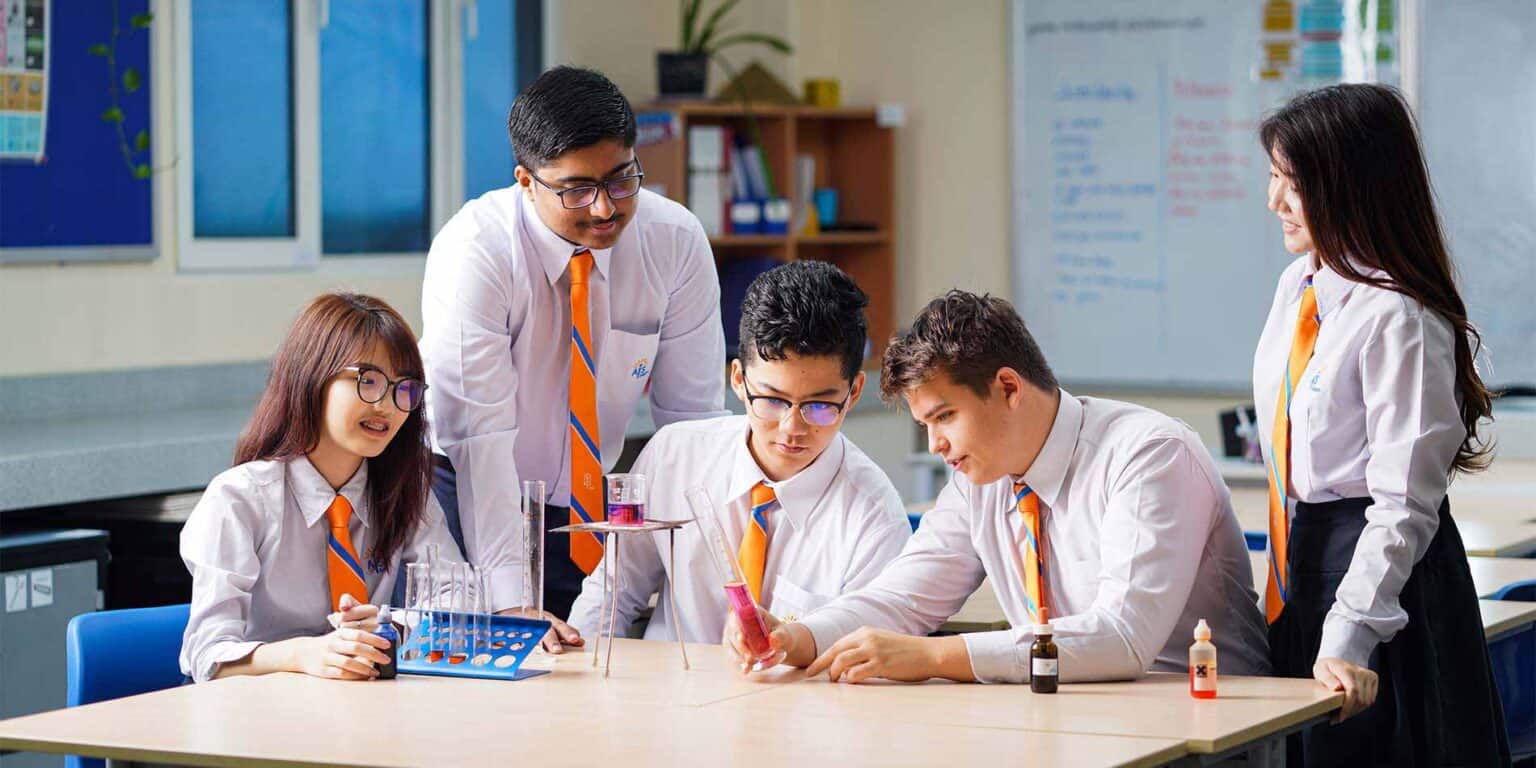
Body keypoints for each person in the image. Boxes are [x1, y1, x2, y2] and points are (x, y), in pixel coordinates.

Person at [727, 290, 1269, 684]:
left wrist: (936, 658)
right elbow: (903, 597)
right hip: (1067, 717)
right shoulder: (981, 480)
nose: (936, 445)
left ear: (1008, 387)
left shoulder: (1148, 456)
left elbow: (1122, 638)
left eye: (945, 417)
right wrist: (801, 637)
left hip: (1201, 723)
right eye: (926, 426)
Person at [419, 66, 728, 628]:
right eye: (577, 190)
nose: (605, 209)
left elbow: (694, 426)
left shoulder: (675, 241)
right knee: (487, 672)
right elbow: (480, 438)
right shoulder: (477, 251)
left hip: (587, 508)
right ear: (525, 180)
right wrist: (508, 599)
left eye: (620, 180)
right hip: (464, 492)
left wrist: (702, 582)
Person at [1255, 83, 1509, 765]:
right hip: (1302, 556)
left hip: (1382, 578)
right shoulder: (1298, 289)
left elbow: (1402, 507)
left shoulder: (1399, 318)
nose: (1273, 201)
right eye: (1273, 177)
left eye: (1291, 183)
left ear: (1351, 186)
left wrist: (1348, 637)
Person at [566, 262, 910, 644]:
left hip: (795, 700)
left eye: (819, 406)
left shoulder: (873, 517)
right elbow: (614, 591)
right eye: (773, 400)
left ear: (855, 392)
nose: (791, 429)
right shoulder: (673, 456)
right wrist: (586, 674)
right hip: (667, 696)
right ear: (738, 380)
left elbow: (863, 656)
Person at [180, 292, 462, 682]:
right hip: (259, 719)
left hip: (364, 713)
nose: (387, 405)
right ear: (312, 376)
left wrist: (391, 627)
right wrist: (303, 654)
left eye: (404, 388)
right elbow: (207, 653)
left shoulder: (404, 490)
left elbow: (458, 603)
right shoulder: (239, 499)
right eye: (369, 380)